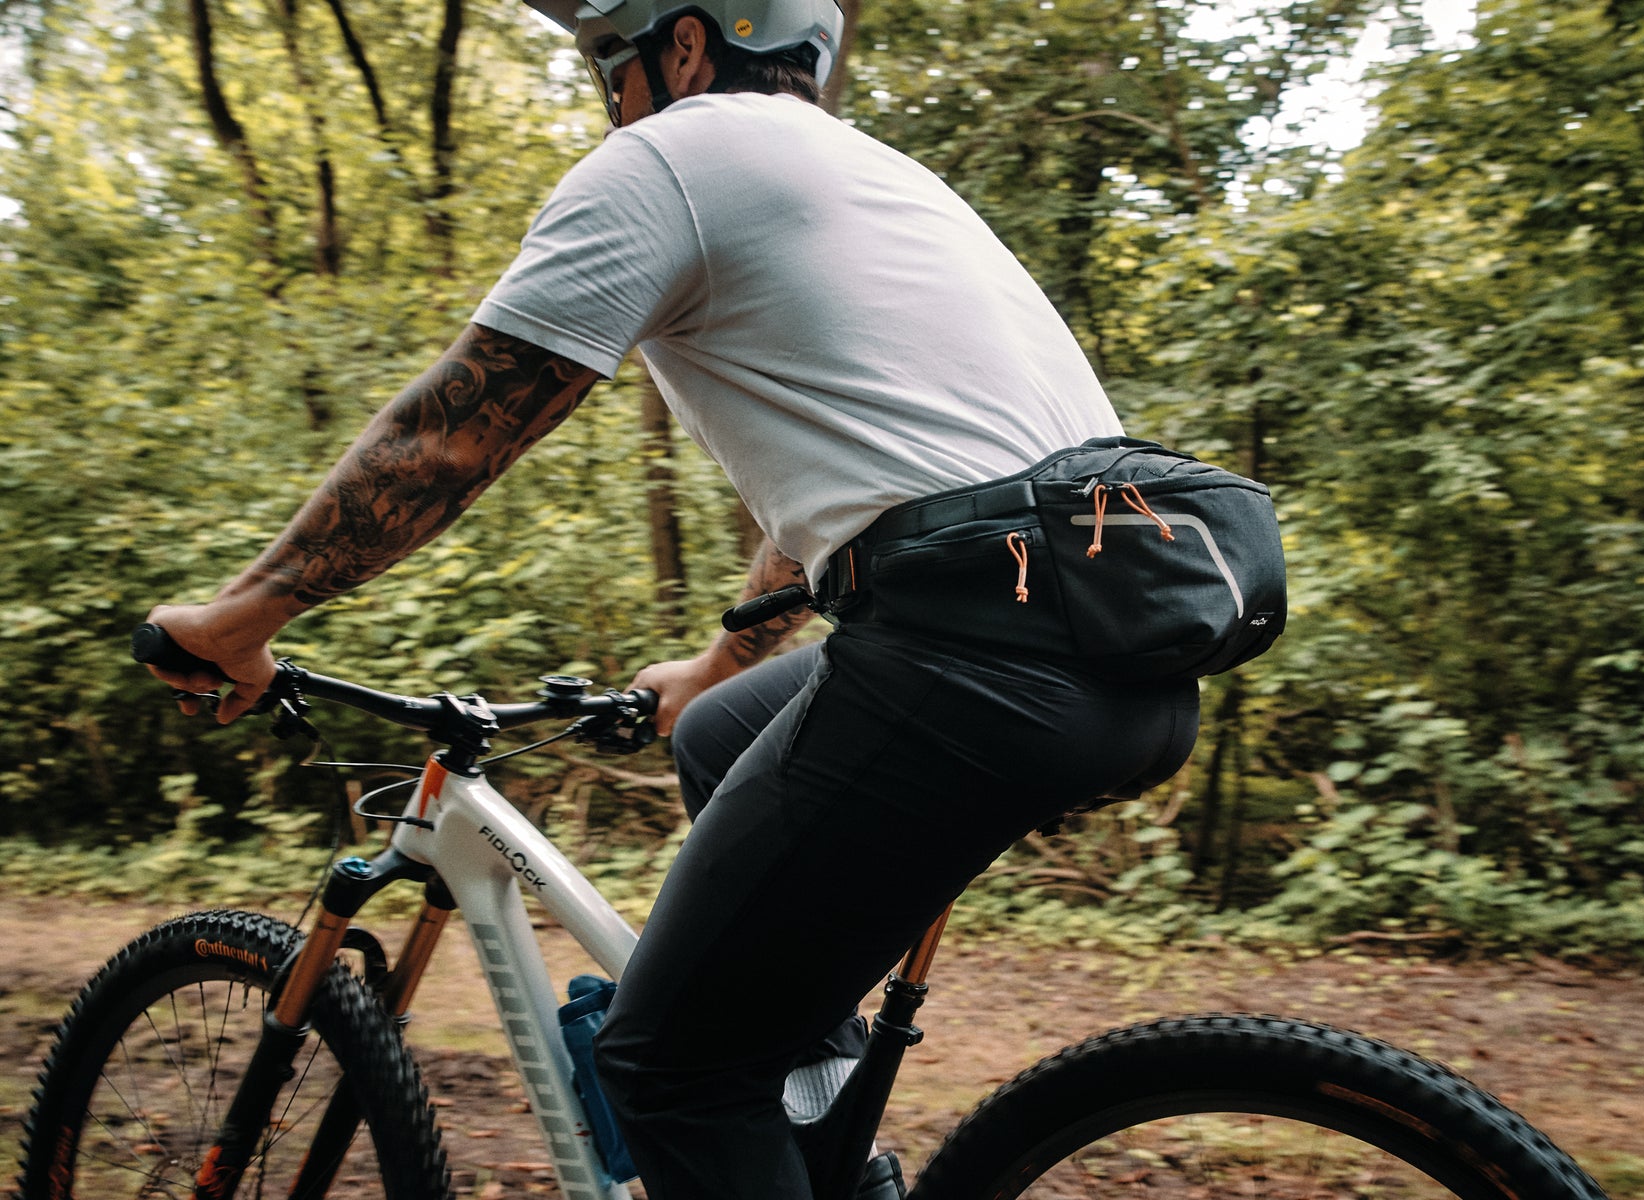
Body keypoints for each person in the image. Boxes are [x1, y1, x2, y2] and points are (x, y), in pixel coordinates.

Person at [142, 0, 1203, 1195]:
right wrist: (714, 668)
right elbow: (863, 507)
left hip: (972, 661)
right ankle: (811, 1128)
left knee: (669, 1073)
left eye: (609, 56)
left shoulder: (673, 154)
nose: (606, 87)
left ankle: (744, 1111)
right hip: (1124, 656)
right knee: (721, 732)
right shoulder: (880, 184)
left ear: (686, 44)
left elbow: (451, 435)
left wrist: (241, 622)